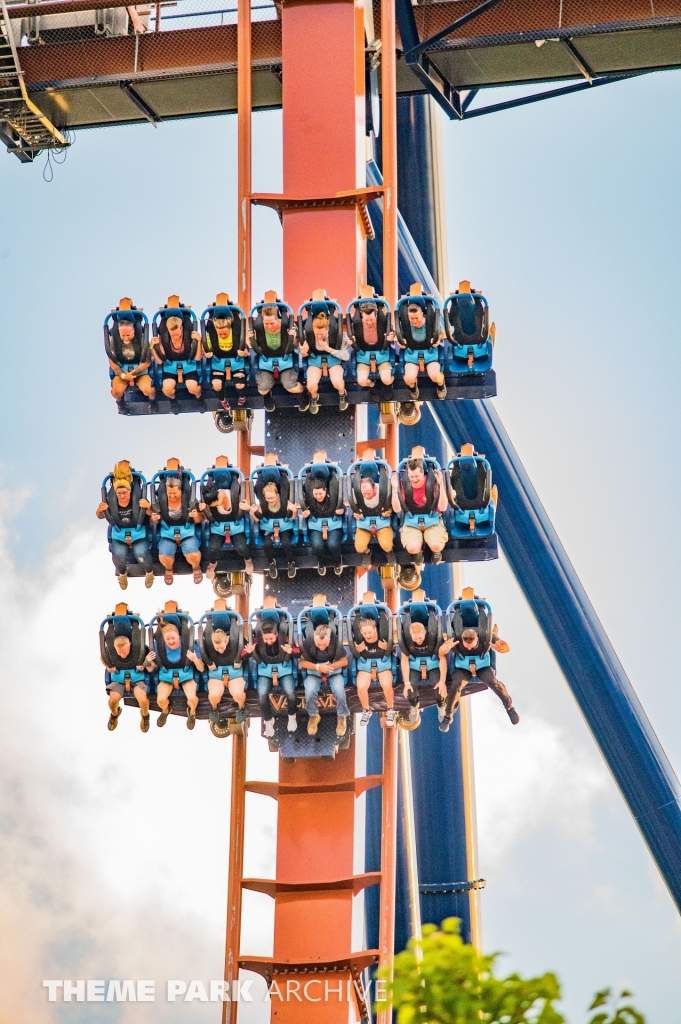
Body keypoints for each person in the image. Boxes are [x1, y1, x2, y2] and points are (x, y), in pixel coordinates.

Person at [440, 593, 519, 732]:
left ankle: (509, 707)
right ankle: (448, 715)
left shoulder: (485, 635)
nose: (469, 647)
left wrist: (499, 647)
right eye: (466, 645)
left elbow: (507, 647)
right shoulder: (456, 637)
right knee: (456, 685)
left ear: (477, 639)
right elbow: (441, 651)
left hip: (482, 665)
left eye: (472, 645)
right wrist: (445, 648)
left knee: (494, 683)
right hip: (462, 666)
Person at [96, 461, 154, 590]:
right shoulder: (111, 500)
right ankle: (122, 574)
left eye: (125, 493)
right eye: (119, 494)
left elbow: (152, 515)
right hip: (119, 531)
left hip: (138, 530)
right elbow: (100, 516)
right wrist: (100, 510)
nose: (122, 496)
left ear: (130, 491)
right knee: (118, 554)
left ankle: (149, 572)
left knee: (141, 553)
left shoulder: (138, 497)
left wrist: (148, 507)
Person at [244, 604, 299, 738]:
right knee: (262, 695)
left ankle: (292, 715)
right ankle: (268, 720)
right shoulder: (258, 639)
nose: (268, 641)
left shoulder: (284, 637)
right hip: (264, 669)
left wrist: (291, 651)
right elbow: (243, 655)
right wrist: (249, 652)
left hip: (284, 667)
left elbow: (298, 652)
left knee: (291, 693)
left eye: (271, 638)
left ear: (276, 634)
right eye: (266, 639)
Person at [249, 294, 310, 413]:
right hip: (266, 360)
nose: (269, 327)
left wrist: (294, 337)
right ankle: (267, 396)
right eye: (266, 324)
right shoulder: (260, 328)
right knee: (262, 389)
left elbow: (297, 344)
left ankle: (304, 393)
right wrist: (250, 339)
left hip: (285, 358)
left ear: (277, 319)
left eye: (272, 323)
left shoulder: (287, 325)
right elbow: (253, 346)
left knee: (291, 386)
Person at [144, 610, 204, 730]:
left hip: (186, 675)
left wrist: (195, 659)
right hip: (167, 677)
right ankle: (166, 710)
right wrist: (147, 661)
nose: (171, 641)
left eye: (173, 638)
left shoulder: (189, 644)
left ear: (179, 636)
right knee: (160, 700)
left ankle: (192, 712)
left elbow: (201, 668)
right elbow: (150, 669)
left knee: (192, 698)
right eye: (168, 639)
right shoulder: (157, 647)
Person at [392, 447, 449, 565]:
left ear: (422, 473)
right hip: (412, 519)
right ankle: (418, 552)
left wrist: (440, 485)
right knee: (412, 548)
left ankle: (436, 551)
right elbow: (397, 508)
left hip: (432, 518)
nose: (413, 479)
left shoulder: (431, 482)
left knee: (436, 545)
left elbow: (443, 507)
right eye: (411, 477)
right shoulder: (405, 484)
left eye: (416, 476)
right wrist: (394, 489)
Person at [151, 462, 203, 584]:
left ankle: (196, 567)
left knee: (192, 554)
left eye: (175, 493)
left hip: (187, 530)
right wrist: (154, 518)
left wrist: (196, 516)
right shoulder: (161, 501)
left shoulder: (190, 500)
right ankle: (169, 569)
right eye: (169, 494)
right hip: (167, 531)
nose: (172, 496)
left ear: (180, 490)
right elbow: (152, 519)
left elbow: (201, 518)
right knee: (164, 556)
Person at [398, 595, 447, 724]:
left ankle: (441, 706)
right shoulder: (407, 640)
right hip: (414, 664)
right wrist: (407, 682)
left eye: (420, 638)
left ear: (425, 632)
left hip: (433, 663)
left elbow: (442, 659)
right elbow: (404, 660)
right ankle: (414, 705)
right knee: (410, 690)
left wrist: (442, 681)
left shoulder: (433, 637)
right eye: (415, 639)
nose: (418, 641)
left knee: (439, 689)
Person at [100, 607, 151, 732]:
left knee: (143, 700)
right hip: (118, 679)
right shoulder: (109, 650)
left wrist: (144, 665)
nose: (123, 655)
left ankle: (145, 716)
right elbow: (102, 657)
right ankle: (114, 714)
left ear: (130, 646)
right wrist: (108, 667)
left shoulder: (139, 648)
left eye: (125, 652)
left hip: (137, 678)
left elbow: (150, 663)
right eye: (120, 653)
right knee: (112, 701)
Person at [200, 461, 254, 578]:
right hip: (218, 526)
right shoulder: (211, 499)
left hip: (236, 524)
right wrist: (203, 510)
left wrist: (246, 507)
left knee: (241, 547)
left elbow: (248, 504)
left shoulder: (235, 493)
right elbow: (209, 518)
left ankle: (248, 560)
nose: (213, 507)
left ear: (219, 497)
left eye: (215, 504)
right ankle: (212, 563)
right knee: (212, 549)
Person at [347, 597, 396, 727]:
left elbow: (392, 643)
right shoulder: (360, 640)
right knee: (361, 686)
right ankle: (366, 710)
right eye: (365, 633)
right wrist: (357, 650)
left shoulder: (383, 636)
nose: (367, 635)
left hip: (383, 662)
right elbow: (354, 646)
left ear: (375, 630)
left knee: (386, 684)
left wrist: (389, 647)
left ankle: (390, 709)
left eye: (370, 632)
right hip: (365, 663)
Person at [199, 603, 248, 727]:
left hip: (234, 671)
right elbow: (203, 653)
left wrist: (246, 654)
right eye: (217, 648)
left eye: (221, 647)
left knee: (238, 694)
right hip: (216, 673)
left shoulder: (235, 639)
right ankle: (214, 708)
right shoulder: (210, 643)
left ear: (226, 641)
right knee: (214, 695)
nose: (219, 650)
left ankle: (241, 708)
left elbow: (245, 653)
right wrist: (208, 663)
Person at [300, 301, 349, 414]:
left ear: (327, 329)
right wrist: (304, 352)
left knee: (337, 382)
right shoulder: (308, 331)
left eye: (322, 334)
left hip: (333, 358)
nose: (319, 337)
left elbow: (346, 356)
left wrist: (328, 349)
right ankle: (314, 397)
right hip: (315, 359)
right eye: (316, 334)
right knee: (311, 385)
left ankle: (342, 393)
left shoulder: (335, 331)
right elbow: (303, 353)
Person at [202, 296, 248, 417]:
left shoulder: (236, 331)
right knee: (216, 384)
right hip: (218, 362)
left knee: (240, 384)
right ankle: (222, 400)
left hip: (236, 360)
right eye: (220, 333)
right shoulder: (212, 334)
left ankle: (242, 395)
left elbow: (246, 348)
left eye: (225, 333)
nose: (222, 335)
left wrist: (245, 352)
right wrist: (206, 352)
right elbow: (205, 348)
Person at [397, 288, 446, 401]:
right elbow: (398, 335)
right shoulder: (405, 324)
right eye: (411, 319)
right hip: (412, 354)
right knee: (408, 378)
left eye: (416, 318)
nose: (414, 321)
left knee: (435, 376)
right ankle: (413, 387)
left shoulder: (431, 320)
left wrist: (437, 339)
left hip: (430, 354)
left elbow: (441, 333)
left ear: (422, 314)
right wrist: (401, 341)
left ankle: (441, 385)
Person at [249, 464, 298, 579]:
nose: (270, 500)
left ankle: (291, 562)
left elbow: (293, 518)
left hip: (285, 527)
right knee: (267, 544)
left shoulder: (285, 503)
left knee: (286, 542)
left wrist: (294, 511)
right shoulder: (263, 505)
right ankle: (271, 562)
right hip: (269, 528)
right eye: (268, 498)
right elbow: (257, 519)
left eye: (272, 498)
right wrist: (252, 513)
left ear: (278, 495)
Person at [151, 298, 203, 401]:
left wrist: (199, 341)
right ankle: (173, 400)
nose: (175, 337)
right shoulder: (164, 338)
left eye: (178, 335)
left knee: (193, 387)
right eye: (172, 335)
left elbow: (198, 358)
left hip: (189, 365)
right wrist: (153, 348)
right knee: (167, 389)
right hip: (170, 366)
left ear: (182, 329)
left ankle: (199, 398)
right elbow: (160, 360)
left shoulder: (189, 335)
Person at [300, 459, 345, 576]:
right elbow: (305, 510)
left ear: (325, 491)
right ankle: (321, 561)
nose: (318, 496)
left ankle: (337, 561)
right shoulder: (310, 499)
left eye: (320, 494)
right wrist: (306, 515)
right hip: (315, 522)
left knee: (333, 544)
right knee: (317, 545)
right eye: (315, 494)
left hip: (333, 522)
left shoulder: (333, 496)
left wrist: (342, 511)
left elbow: (343, 507)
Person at [348, 457, 395, 568]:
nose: (366, 496)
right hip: (364, 522)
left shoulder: (384, 490)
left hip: (382, 521)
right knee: (359, 547)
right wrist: (355, 513)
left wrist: (390, 511)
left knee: (387, 545)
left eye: (368, 493)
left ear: (375, 489)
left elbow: (393, 504)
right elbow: (354, 506)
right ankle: (367, 552)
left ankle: (389, 552)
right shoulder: (358, 493)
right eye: (363, 493)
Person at [105, 304, 156, 404]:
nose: (125, 338)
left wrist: (133, 373)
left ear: (133, 332)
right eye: (123, 335)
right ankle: (120, 403)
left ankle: (152, 402)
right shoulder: (113, 341)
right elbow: (112, 362)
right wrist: (124, 375)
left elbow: (147, 362)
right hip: (121, 370)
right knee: (116, 392)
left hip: (140, 369)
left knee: (148, 390)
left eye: (128, 335)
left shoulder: (141, 339)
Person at [349, 299, 395, 398]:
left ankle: (388, 386)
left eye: (372, 319)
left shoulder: (382, 322)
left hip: (382, 355)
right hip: (363, 356)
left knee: (386, 379)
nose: (369, 322)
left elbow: (393, 333)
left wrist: (392, 336)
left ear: (376, 315)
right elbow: (350, 339)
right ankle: (373, 386)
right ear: (362, 316)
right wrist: (350, 341)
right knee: (361, 381)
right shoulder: (356, 325)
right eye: (366, 320)